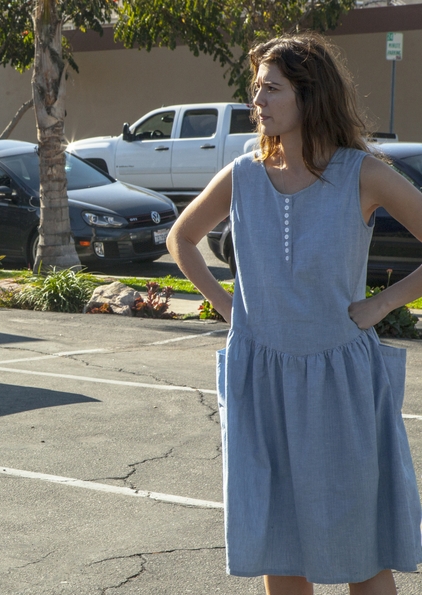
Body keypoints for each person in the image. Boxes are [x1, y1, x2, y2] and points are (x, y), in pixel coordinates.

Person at [167, 32, 422, 595]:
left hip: (341, 379)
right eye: (255, 88)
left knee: (361, 544)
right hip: (260, 377)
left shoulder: (363, 173)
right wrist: (232, 309)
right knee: (277, 541)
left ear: (309, 95)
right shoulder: (242, 175)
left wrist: (380, 305)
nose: (257, 100)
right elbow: (181, 239)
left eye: (270, 88)